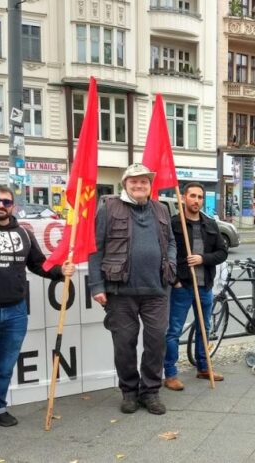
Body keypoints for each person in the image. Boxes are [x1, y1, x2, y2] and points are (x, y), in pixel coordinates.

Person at [0, 185, 74, 439]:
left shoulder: (24, 233)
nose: (0, 205)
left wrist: (60, 272)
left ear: (13, 206)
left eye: (6, 202)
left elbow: (39, 264)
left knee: (4, 366)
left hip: (16, 311)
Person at [89, 163, 177, 415]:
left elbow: (171, 241)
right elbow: (96, 248)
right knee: (124, 343)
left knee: (156, 342)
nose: (139, 185)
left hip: (157, 290)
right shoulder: (108, 208)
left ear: (150, 185)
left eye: (144, 182)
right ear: (124, 184)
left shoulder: (161, 209)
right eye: (134, 181)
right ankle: (129, 391)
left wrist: (170, 262)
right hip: (120, 292)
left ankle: (150, 392)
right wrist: (96, 285)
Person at [164, 182, 228, 391]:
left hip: (204, 286)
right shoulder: (174, 223)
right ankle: (170, 373)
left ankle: (203, 367)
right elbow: (165, 255)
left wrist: (203, 258)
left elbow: (222, 252)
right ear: (184, 198)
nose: (196, 200)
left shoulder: (210, 224)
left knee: (204, 328)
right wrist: (175, 281)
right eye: (192, 196)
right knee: (174, 331)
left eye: (200, 197)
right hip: (182, 286)